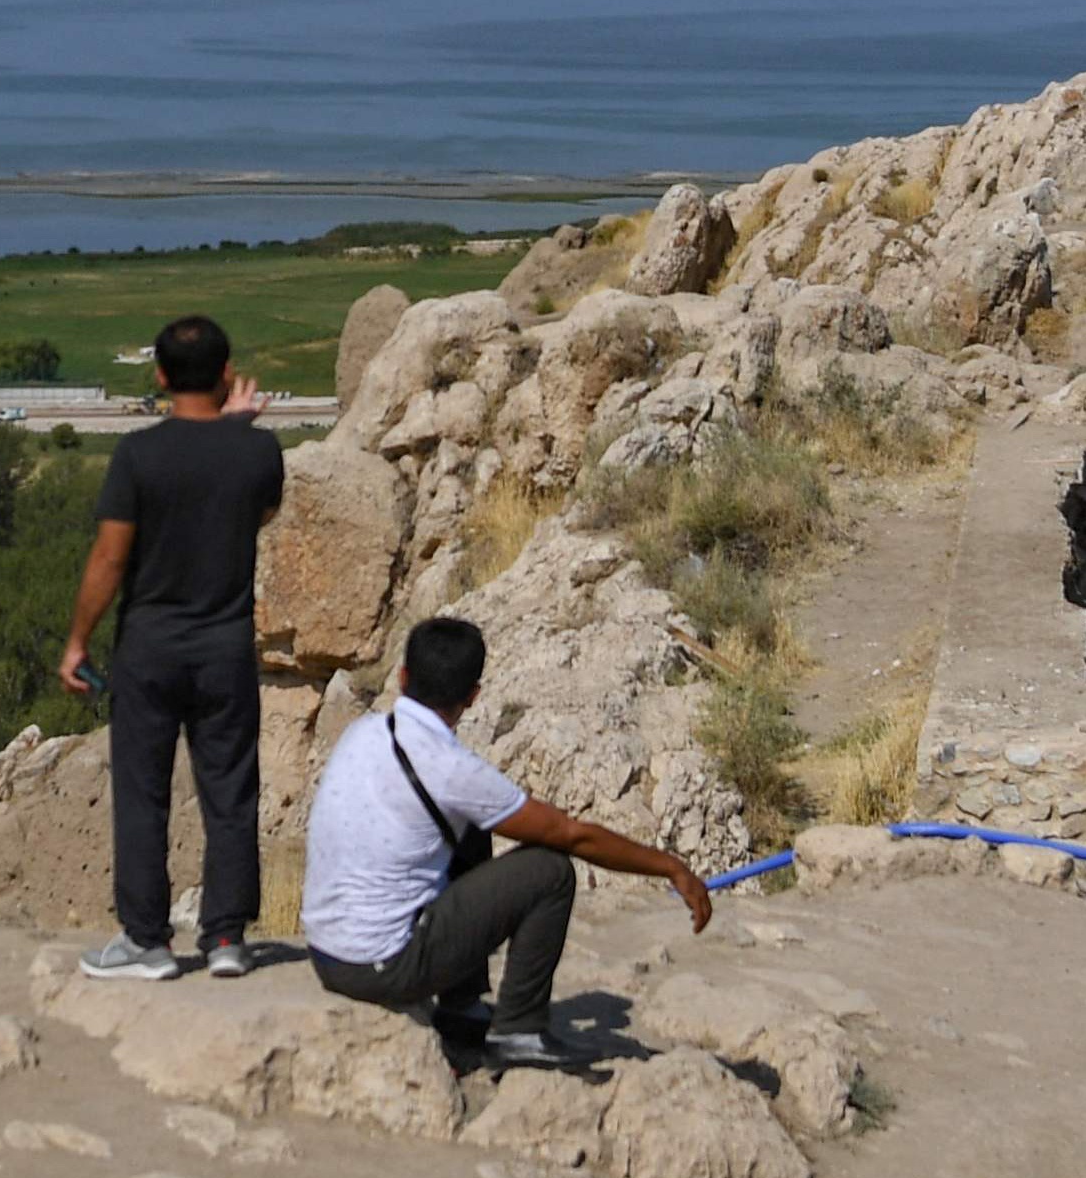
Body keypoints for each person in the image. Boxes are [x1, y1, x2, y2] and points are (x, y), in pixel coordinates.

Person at [299, 613, 710, 1062]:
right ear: (473, 697)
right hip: (383, 967)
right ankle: (520, 1030)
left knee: (472, 826)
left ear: (402, 677)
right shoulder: (451, 767)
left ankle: (463, 1006)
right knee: (549, 871)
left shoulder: (363, 732)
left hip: (326, 953)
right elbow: (571, 835)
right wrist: (670, 866)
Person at [58, 312, 286, 980]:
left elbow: (108, 558)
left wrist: (78, 640)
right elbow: (258, 511)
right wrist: (238, 430)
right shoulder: (260, 450)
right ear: (225, 373)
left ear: (159, 376)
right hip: (224, 650)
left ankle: (147, 941)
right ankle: (225, 940)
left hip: (149, 649)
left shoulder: (137, 455)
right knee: (231, 793)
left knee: (142, 794)